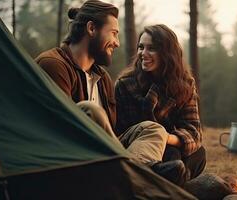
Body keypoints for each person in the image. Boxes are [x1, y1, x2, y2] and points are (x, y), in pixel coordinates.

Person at [35, 1, 186, 185]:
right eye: (114, 33)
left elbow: (113, 133)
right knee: (90, 110)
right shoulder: (53, 64)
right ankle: (140, 177)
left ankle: (134, 174)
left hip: (107, 154)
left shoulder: (103, 78)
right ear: (91, 28)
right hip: (74, 157)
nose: (117, 42)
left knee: (153, 128)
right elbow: (60, 128)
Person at [115, 24, 206, 181]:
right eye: (141, 47)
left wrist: (165, 137)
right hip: (138, 146)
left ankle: (166, 177)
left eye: (151, 48)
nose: (143, 53)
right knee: (172, 155)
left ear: (167, 53)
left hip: (171, 144)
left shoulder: (184, 84)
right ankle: (166, 179)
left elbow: (194, 132)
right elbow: (121, 130)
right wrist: (157, 137)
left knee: (198, 154)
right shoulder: (125, 84)